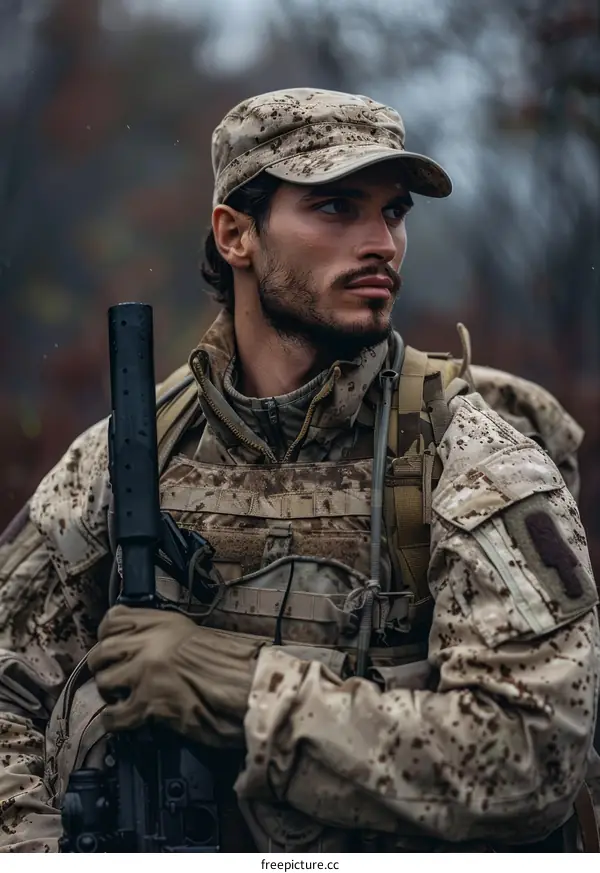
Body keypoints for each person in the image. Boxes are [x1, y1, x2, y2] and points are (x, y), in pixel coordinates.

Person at [0, 88, 598, 853]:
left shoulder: (473, 464)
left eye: (393, 212)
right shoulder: (127, 459)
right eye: (337, 208)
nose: (381, 241)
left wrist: (240, 689)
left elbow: (533, 756)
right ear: (235, 234)